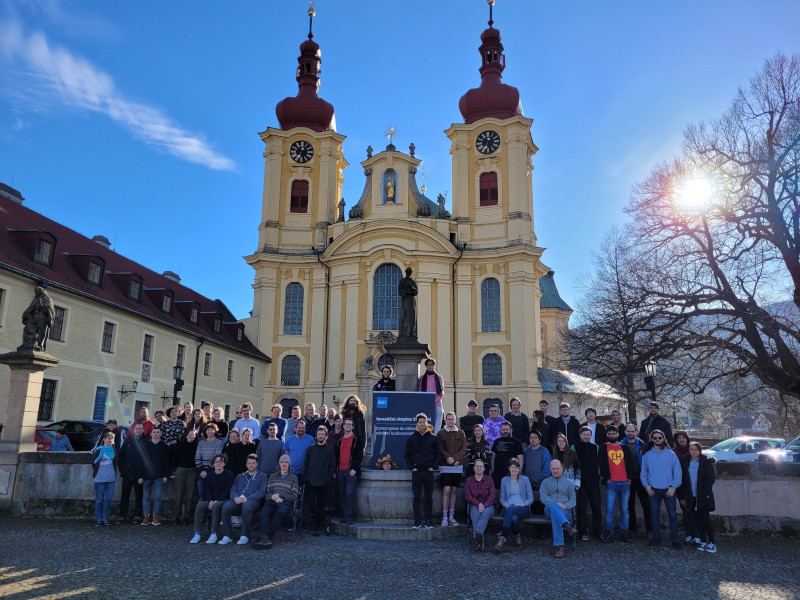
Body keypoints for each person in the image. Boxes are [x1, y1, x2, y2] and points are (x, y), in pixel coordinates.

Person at [641, 429, 682, 549]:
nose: (657, 440)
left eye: (660, 437)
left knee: (672, 515)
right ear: (652, 440)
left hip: (668, 490)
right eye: (655, 438)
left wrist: (674, 486)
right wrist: (646, 486)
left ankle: (675, 540)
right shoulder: (647, 455)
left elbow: (678, 472)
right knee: (654, 515)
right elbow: (643, 473)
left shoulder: (671, 454)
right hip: (653, 490)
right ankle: (656, 538)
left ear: (664, 438)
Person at [599, 425, 639, 543]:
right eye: (609, 434)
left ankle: (624, 532)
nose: (612, 436)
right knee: (610, 509)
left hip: (624, 482)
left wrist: (629, 479)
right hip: (611, 483)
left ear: (618, 434)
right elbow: (602, 464)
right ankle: (609, 531)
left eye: (614, 433)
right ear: (607, 435)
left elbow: (631, 464)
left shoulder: (625, 448)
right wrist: (607, 478)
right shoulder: (603, 448)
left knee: (625, 509)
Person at [219, 454, 268, 545]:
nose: (251, 465)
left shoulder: (262, 476)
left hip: (253, 501)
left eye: (253, 463)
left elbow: (261, 492)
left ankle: (244, 535)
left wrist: (248, 498)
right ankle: (227, 536)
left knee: (246, 506)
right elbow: (233, 490)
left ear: (257, 464)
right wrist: (235, 497)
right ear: (246, 464)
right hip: (238, 500)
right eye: (249, 463)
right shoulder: (240, 476)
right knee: (226, 506)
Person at [678, 441, 717, 553]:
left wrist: (704, 492)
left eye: (696, 449)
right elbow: (684, 480)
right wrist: (684, 496)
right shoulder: (686, 462)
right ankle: (703, 541)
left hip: (703, 496)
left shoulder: (706, 462)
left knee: (705, 519)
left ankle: (712, 543)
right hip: (692, 497)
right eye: (691, 449)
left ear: (699, 451)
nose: (693, 452)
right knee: (697, 520)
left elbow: (710, 479)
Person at [404, 413, 441, 529]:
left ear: (427, 423)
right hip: (417, 471)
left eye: (423, 422)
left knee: (429, 498)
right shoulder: (411, 438)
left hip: (428, 471)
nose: (422, 424)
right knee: (416, 497)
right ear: (417, 424)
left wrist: (433, 466)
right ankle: (417, 522)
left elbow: (439, 454)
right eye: (420, 422)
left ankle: (428, 521)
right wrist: (411, 467)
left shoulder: (433, 438)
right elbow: (406, 454)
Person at [253, 454, 300, 549]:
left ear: (289, 464)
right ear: (279, 464)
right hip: (272, 501)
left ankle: (266, 537)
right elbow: (267, 494)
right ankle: (266, 538)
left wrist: (281, 496)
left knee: (281, 512)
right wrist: (273, 497)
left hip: (285, 502)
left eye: (286, 462)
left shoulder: (294, 478)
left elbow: (294, 496)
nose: (284, 464)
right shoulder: (273, 476)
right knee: (265, 512)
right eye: (282, 462)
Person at [189, 454, 234, 544]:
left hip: (224, 500)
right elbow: (207, 491)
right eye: (216, 462)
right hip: (211, 500)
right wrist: (210, 501)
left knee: (216, 506)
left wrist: (217, 500)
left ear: (224, 464)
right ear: (213, 464)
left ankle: (214, 533)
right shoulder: (210, 475)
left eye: (221, 461)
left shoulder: (228, 474)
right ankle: (197, 533)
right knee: (200, 505)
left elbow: (228, 490)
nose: (219, 463)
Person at [540, 459, 578, 558]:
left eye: (557, 468)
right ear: (550, 469)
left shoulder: (568, 483)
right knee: (553, 506)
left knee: (555, 515)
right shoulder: (545, 482)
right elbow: (543, 497)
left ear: (562, 469)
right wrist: (556, 504)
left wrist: (565, 506)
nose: (555, 471)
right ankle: (567, 526)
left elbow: (573, 500)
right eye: (553, 469)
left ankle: (559, 547)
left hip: (565, 511)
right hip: (549, 509)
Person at [495, 458, 534, 551]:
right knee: (514, 518)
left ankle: (503, 537)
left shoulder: (525, 479)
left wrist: (524, 504)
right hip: (508, 507)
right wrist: (505, 505)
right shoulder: (504, 480)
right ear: (509, 468)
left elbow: (531, 498)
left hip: (523, 508)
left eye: (516, 468)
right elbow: (502, 498)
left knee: (511, 510)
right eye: (512, 467)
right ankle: (517, 536)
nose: (514, 470)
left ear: (519, 469)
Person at [304, 426, 336, 536]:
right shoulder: (310, 449)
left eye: (323, 434)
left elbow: (332, 465)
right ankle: (326, 520)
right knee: (312, 504)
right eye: (319, 434)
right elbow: (306, 464)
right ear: (316, 436)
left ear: (326, 436)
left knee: (320, 504)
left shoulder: (330, 450)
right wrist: (306, 477)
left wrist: (328, 477)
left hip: (323, 481)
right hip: (311, 480)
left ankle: (316, 528)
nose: (321, 436)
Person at [437, 412, 466, 526]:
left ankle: (451, 517)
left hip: (457, 465)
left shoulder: (461, 432)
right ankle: (444, 517)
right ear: (445, 420)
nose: (450, 421)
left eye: (452, 419)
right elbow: (439, 448)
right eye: (448, 419)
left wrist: (455, 459)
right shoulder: (440, 433)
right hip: (445, 465)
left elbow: (464, 448)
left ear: (455, 420)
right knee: (446, 490)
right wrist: (448, 458)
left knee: (454, 490)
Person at [623, 423, 652, 538]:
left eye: (632, 431)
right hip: (628, 479)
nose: (630, 433)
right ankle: (632, 528)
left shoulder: (643, 445)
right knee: (629, 506)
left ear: (636, 432)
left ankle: (649, 529)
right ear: (625, 432)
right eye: (628, 431)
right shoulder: (621, 445)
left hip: (641, 479)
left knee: (646, 505)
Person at [574, 426, 602, 541]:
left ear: (591, 436)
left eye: (588, 435)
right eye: (584, 434)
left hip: (594, 483)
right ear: (580, 435)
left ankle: (598, 532)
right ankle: (583, 532)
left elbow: (600, 463)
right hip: (581, 483)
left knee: (597, 508)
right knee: (582, 509)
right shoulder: (574, 446)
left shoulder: (595, 447)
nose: (586, 436)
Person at [335, 417, 363, 525]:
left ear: (352, 427)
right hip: (340, 471)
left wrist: (354, 469)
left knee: (349, 494)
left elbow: (359, 456)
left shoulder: (356, 440)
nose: (347, 426)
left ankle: (349, 517)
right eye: (346, 424)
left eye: (349, 424)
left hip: (350, 471)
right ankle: (344, 515)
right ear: (343, 426)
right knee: (342, 495)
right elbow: (336, 457)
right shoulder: (339, 441)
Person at [139, 426, 170, 526]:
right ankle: (146, 516)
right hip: (146, 475)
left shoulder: (164, 446)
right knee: (146, 497)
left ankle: (155, 515)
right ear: (151, 434)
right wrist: (140, 476)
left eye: (158, 432)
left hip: (159, 475)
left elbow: (167, 463)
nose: (156, 434)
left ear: (160, 434)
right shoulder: (145, 445)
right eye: (154, 432)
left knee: (158, 497)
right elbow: (141, 462)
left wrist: (166, 475)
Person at [117, 422, 146, 523]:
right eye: (136, 429)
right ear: (134, 430)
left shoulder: (147, 441)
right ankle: (122, 515)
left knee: (139, 496)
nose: (138, 430)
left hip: (139, 475)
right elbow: (120, 456)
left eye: (140, 429)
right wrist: (122, 469)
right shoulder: (128, 440)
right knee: (125, 495)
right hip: (127, 473)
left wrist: (143, 475)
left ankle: (137, 515)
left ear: (143, 430)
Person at [464, 458, 495, 552]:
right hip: (474, 505)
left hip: (488, 506)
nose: (478, 468)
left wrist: (484, 505)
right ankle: (479, 544)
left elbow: (492, 496)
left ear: (484, 468)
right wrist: (478, 504)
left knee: (485, 513)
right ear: (473, 468)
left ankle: (475, 534)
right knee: (475, 514)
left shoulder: (489, 480)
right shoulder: (468, 480)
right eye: (477, 466)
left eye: (480, 466)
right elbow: (468, 496)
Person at [91, 431, 117, 526]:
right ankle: (99, 519)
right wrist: (97, 473)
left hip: (111, 476)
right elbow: (94, 463)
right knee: (99, 499)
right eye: (109, 438)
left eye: (112, 438)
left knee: (108, 499)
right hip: (100, 476)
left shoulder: (114, 449)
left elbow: (114, 462)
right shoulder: (99, 450)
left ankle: (105, 518)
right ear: (104, 439)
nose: (110, 440)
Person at [173, 428, 199, 525]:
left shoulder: (197, 446)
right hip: (181, 470)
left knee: (189, 496)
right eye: (190, 434)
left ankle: (186, 517)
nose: (191, 436)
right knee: (179, 495)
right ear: (186, 435)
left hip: (192, 471)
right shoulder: (179, 445)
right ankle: (176, 517)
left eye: (193, 435)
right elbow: (174, 458)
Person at [490, 421, 524, 489]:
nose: (505, 431)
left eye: (507, 429)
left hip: (511, 474)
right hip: (497, 474)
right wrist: (493, 470)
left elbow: (520, 459)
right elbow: (493, 457)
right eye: (503, 430)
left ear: (511, 430)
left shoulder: (517, 442)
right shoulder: (496, 441)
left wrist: (519, 472)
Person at [195, 423, 224, 499]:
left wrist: (207, 471)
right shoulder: (201, 443)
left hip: (212, 470)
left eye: (212, 430)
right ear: (205, 431)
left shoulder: (219, 443)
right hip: (201, 470)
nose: (210, 431)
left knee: (211, 492)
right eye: (208, 430)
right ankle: (201, 508)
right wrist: (201, 470)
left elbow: (217, 458)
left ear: (215, 431)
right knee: (201, 493)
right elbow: (197, 457)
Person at [418, 358, 445, 434]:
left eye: (432, 364)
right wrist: (427, 401)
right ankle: (426, 433)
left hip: (437, 403)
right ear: (426, 366)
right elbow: (420, 390)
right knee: (426, 419)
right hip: (426, 403)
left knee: (438, 420)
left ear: (434, 366)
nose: (430, 366)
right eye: (428, 365)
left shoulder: (439, 378)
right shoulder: (422, 378)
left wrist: (435, 401)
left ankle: (436, 435)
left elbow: (441, 391)